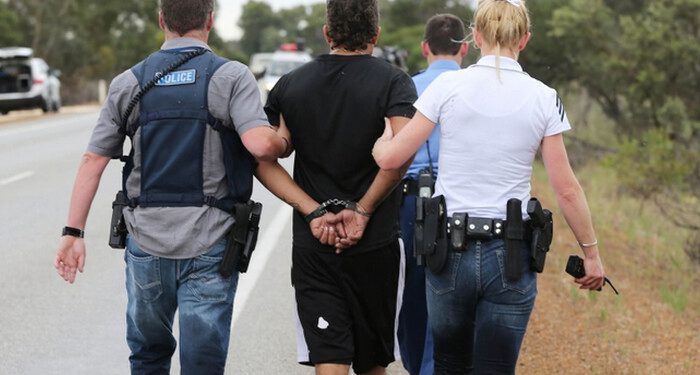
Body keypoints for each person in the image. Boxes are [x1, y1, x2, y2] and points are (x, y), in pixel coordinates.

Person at [53, 0, 290, 373]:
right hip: (210, 244)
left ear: (161, 20)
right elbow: (260, 146)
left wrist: (73, 231)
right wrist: (282, 140)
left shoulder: (129, 82)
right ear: (210, 20)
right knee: (202, 364)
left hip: (146, 246)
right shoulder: (230, 76)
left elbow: (92, 161)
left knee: (148, 356)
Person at [372, 0, 606, 373]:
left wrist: (383, 139)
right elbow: (567, 190)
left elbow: (391, 158)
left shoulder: (447, 86)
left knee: (449, 364)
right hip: (509, 254)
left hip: (448, 249)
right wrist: (590, 254)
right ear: (525, 39)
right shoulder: (544, 97)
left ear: (476, 37)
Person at [254, 0, 417, 374]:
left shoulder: (290, 85)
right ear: (375, 35)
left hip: (316, 244)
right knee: (374, 361)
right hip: (375, 242)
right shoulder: (394, 82)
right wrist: (363, 208)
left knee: (328, 357)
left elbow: (263, 159)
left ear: (327, 33)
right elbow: (402, 153)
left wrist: (312, 210)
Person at [396, 14, 468, 375]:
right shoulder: (475, 86)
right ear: (465, 48)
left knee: (412, 291)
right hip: (460, 199)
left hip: (410, 200)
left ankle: (417, 366)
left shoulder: (405, 86)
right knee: (455, 288)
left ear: (424, 48)